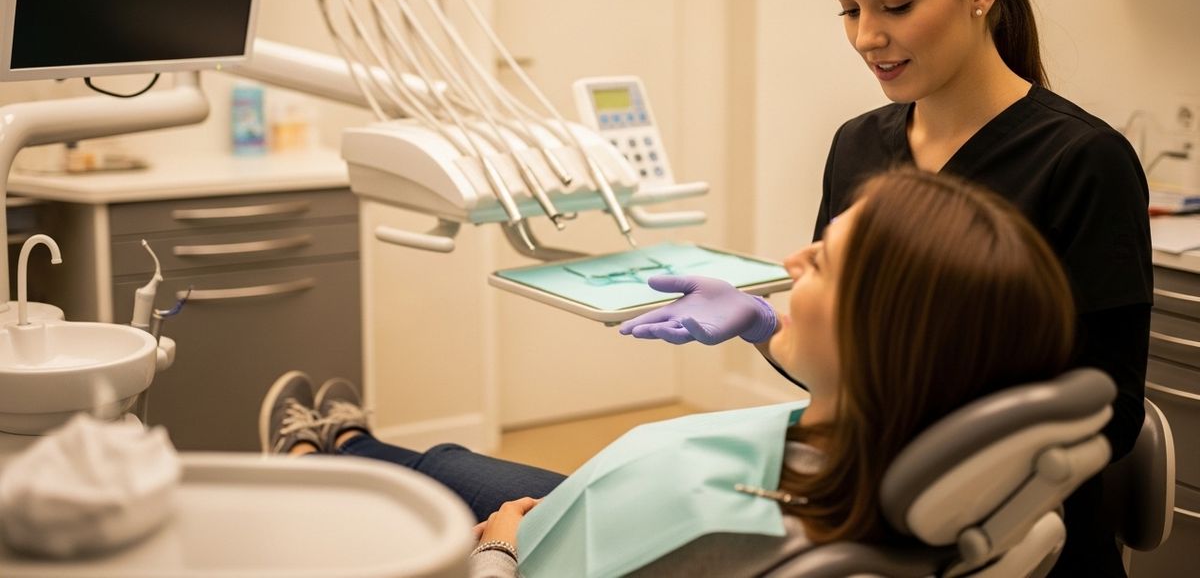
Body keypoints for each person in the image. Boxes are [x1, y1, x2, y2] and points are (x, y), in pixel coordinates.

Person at [617, 0, 1152, 576]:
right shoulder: (859, 146)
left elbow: (1106, 416)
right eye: (848, 8)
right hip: (858, 504)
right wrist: (766, 327)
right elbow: (851, 364)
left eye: (895, 5)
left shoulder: (1080, 161)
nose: (867, 36)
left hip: (987, 534)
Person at [260, 168, 1076, 577]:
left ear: (882, 341)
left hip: (524, 555)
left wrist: (503, 553)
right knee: (453, 464)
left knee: (418, 505)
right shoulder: (872, 434)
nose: (789, 261)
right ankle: (342, 442)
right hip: (597, 515)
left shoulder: (730, 537)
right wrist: (768, 331)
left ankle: (308, 464)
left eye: (820, 263)